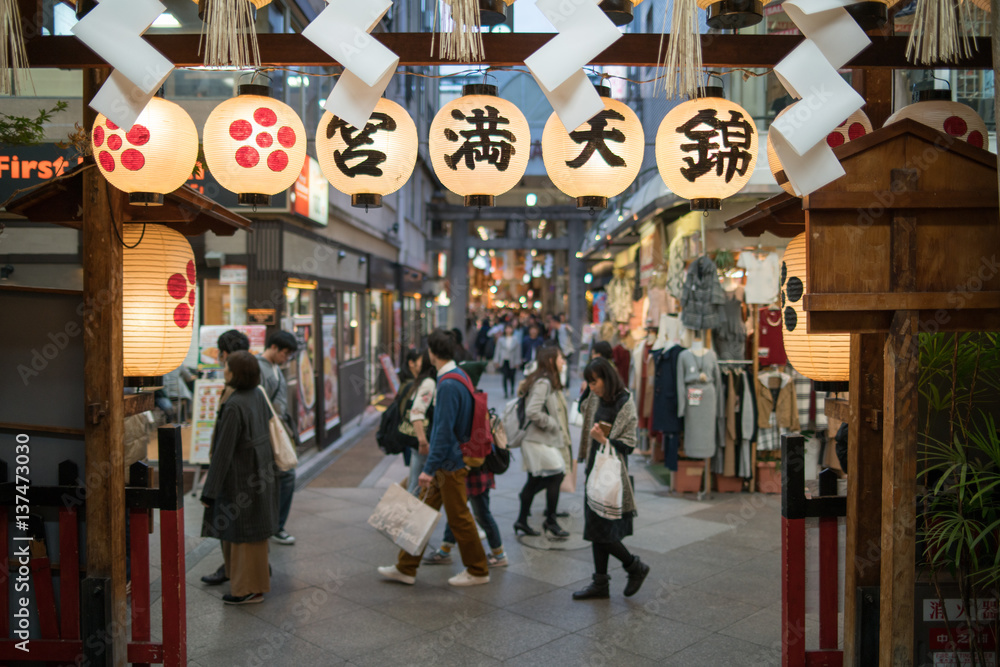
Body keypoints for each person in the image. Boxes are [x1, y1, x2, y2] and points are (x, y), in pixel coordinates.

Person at [378, 329, 490, 587]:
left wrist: (428, 468)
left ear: (432, 353)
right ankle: (405, 567)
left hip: (449, 463)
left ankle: (478, 569)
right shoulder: (459, 375)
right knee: (422, 511)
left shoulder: (448, 383)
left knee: (459, 518)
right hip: (451, 460)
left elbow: (442, 431)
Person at [199, 351, 279, 605]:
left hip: (240, 478)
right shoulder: (257, 395)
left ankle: (248, 589)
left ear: (235, 373)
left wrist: (208, 491)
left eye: (227, 368)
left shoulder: (234, 405)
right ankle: (250, 583)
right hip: (260, 472)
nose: (224, 371)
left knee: (242, 536)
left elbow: (223, 453)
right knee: (255, 533)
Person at [573, 358, 649, 600]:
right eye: (589, 382)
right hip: (594, 468)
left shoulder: (624, 402)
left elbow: (629, 444)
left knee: (602, 530)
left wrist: (604, 441)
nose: (592, 386)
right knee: (595, 526)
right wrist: (587, 393)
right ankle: (600, 583)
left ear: (607, 377)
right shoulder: (595, 397)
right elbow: (581, 411)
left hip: (612, 472)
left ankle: (634, 566)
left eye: (594, 381)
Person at [201, 329, 253, 587]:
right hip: (248, 468)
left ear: (223, 354)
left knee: (232, 521)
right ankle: (237, 567)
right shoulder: (251, 380)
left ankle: (238, 571)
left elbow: (225, 445)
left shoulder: (235, 392)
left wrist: (210, 487)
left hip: (236, 470)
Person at [514, 346, 572, 539]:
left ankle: (522, 520)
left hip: (538, 439)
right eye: (560, 358)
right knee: (557, 473)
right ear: (550, 361)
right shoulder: (544, 382)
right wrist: (552, 423)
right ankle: (550, 520)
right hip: (536, 439)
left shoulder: (546, 380)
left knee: (536, 479)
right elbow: (532, 410)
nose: (563, 361)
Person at [423, 461, 508, 568]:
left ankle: (499, 555)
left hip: (475, 474)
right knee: (456, 512)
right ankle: (444, 551)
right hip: (469, 473)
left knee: (482, 515)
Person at [257, 330, 299, 546]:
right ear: (274, 347)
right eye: (285, 353)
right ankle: (274, 526)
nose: (287, 358)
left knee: (283, 477)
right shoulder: (259, 367)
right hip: (268, 432)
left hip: (277, 430)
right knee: (285, 476)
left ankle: (274, 525)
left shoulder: (275, 368)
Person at [404, 350, 437, 496]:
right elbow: (416, 413)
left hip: (417, 440)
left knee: (415, 482)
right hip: (423, 441)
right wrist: (423, 441)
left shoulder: (421, 381)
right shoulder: (428, 382)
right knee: (416, 485)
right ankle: (410, 516)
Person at [493, 324, 522, 399]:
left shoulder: (516, 339)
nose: (508, 330)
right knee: (505, 376)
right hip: (504, 360)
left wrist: (517, 362)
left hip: (512, 360)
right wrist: (496, 361)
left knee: (512, 376)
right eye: (507, 329)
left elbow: (518, 351)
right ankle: (505, 392)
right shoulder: (501, 339)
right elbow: (497, 350)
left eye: (510, 328)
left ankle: (512, 390)